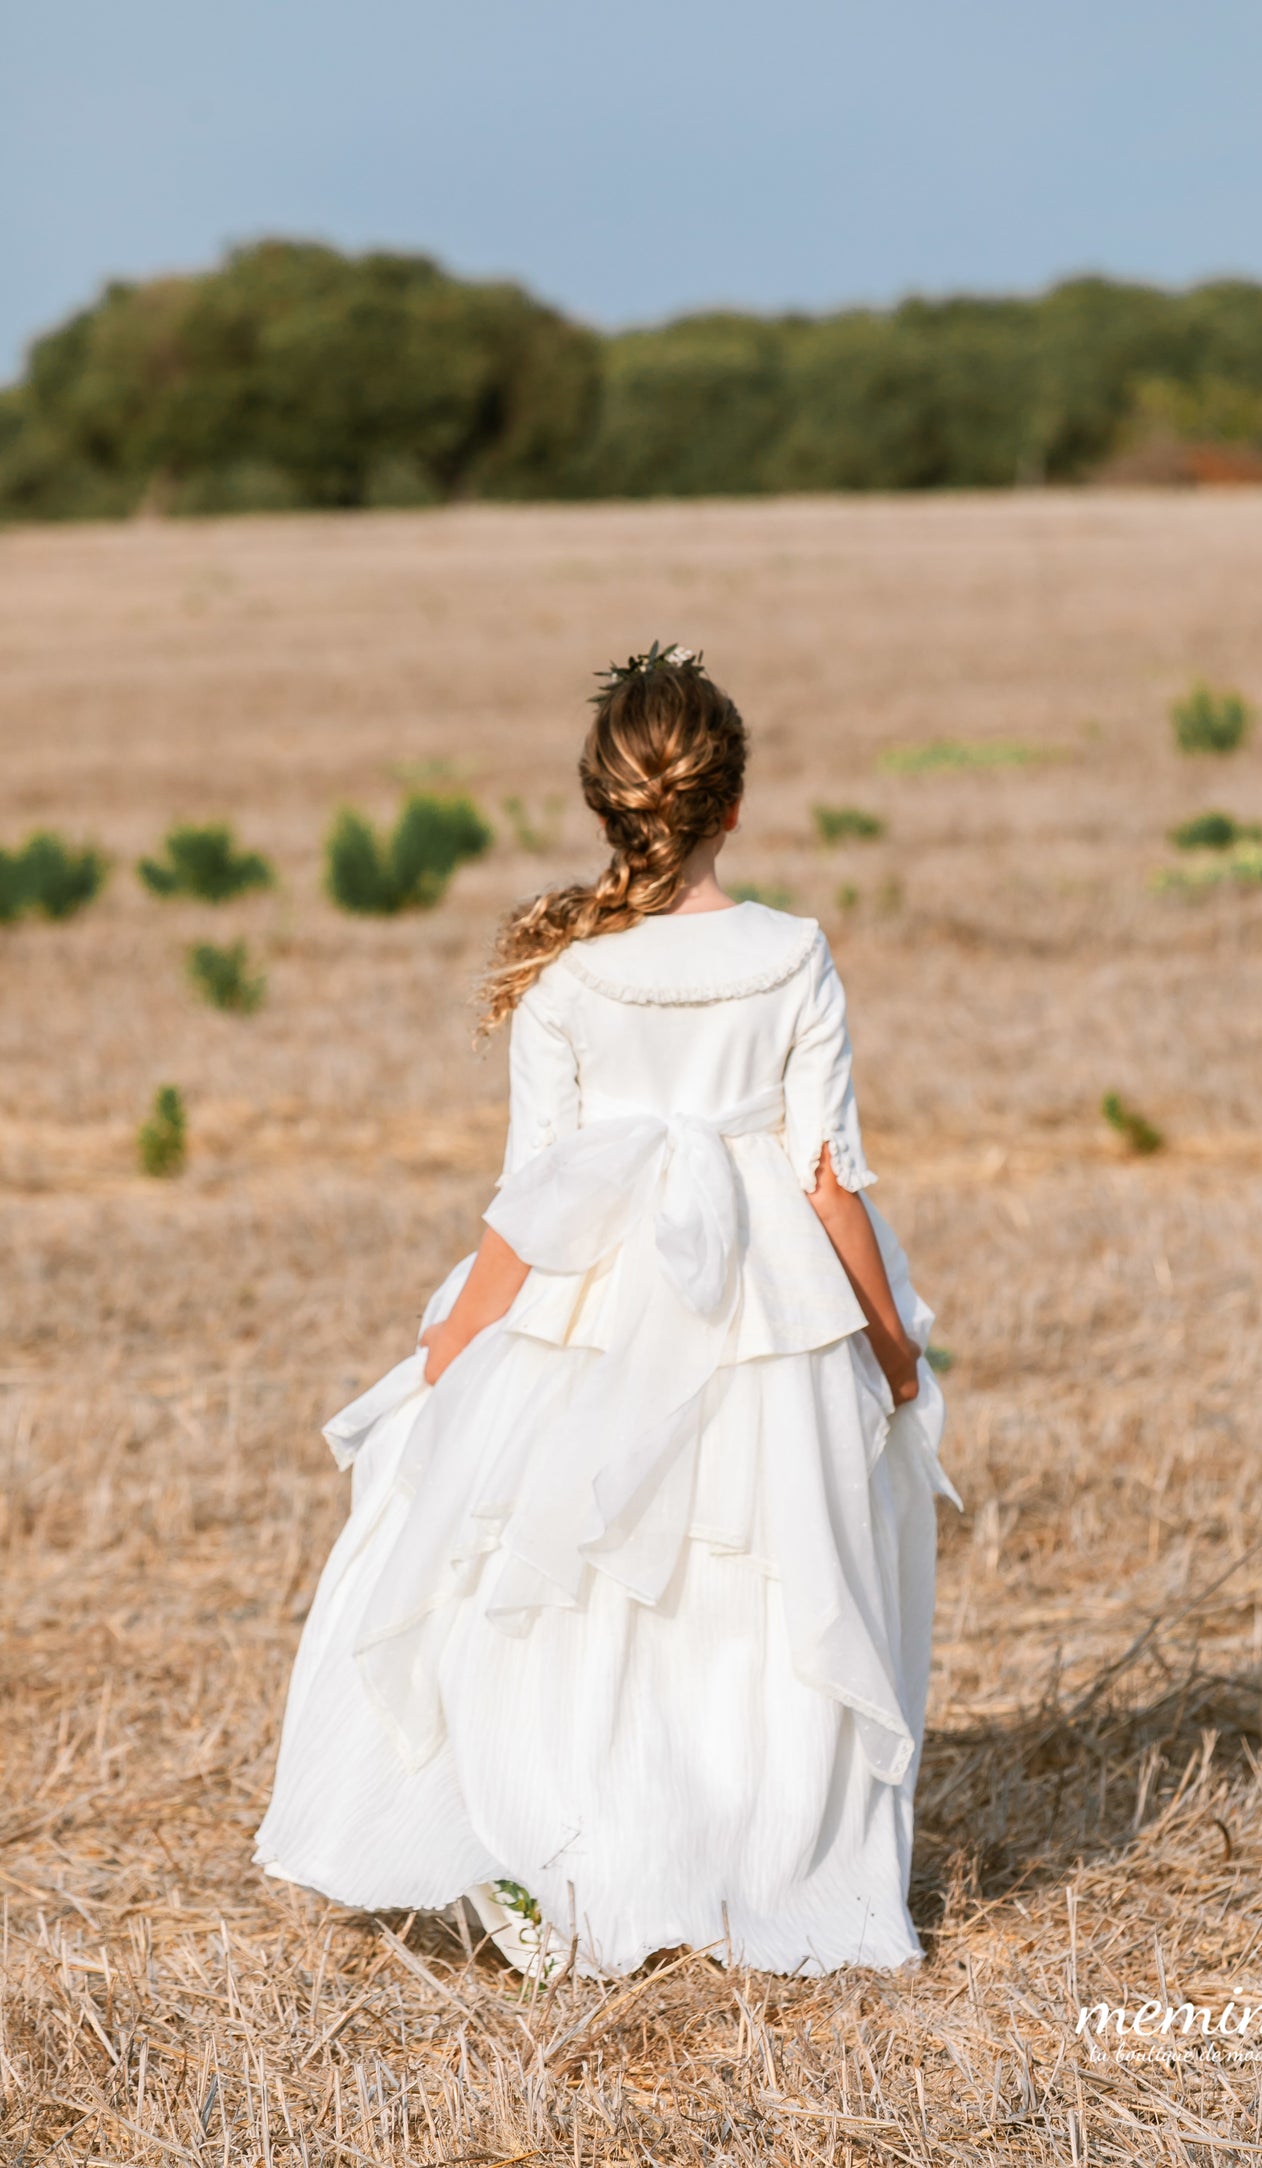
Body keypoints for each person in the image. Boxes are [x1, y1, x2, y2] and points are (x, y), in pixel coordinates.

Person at [254, 644, 957, 1978]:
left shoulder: (568, 970)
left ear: (602, 807)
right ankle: (761, 1868)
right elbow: (827, 1179)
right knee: (759, 1593)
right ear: (732, 805)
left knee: (583, 1594)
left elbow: (536, 1192)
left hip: (585, 1313)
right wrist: (887, 1341)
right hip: (773, 1317)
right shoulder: (793, 953)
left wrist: (454, 1342)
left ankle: (588, 1865)